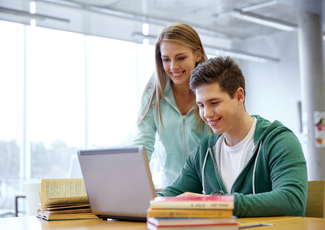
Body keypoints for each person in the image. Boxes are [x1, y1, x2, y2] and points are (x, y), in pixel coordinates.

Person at [157, 56, 308, 217]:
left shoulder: (279, 141)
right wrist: (148, 202)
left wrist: (214, 203)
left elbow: (292, 201)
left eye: (214, 103)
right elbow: (172, 194)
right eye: (201, 105)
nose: (206, 114)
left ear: (239, 96)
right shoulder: (205, 150)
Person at [132, 23, 210, 188]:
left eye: (181, 58)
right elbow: (143, 143)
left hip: (211, 189)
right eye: (166, 59)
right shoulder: (153, 93)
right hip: (172, 189)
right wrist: (134, 184)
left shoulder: (212, 91)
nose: (173, 67)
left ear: (198, 54)